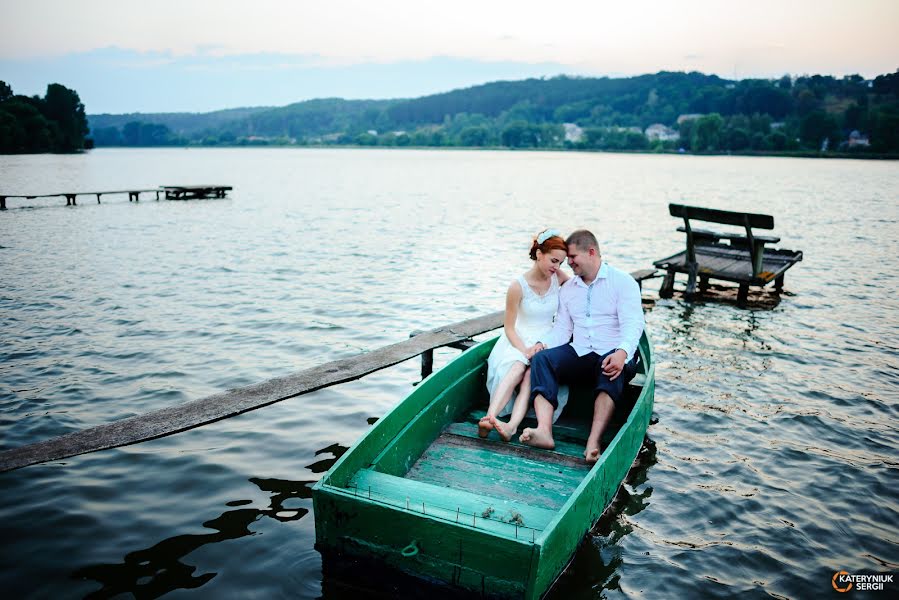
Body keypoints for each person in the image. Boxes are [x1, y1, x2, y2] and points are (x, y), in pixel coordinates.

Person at [520, 229, 644, 463]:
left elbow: (633, 323)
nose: (569, 262)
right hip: (581, 352)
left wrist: (622, 352)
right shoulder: (569, 290)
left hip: (614, 351)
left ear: (591, 252)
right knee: (542, 359)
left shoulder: (622, 282)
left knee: (610, 366)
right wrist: (541, 344)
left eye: (573, 257)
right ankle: (544, 431)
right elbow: (563, 330)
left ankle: (593, 441)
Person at [480, 229, 571, 442]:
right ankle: (490, 416)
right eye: (553, 260)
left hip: (547, 340)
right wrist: (524, 350)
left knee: (531, 375)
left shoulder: (558, 278)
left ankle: (511, 427)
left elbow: (581, 289)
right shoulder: (517, 286)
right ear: (539, 253)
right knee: (517, 367)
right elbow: (509, 328)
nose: (556, 267)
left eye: (560, 263)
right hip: (519, 339)